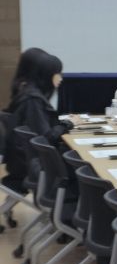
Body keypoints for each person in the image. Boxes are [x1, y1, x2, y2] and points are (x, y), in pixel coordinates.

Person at [3, 50, 81, 192]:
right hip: (33, 166)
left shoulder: (27, 92)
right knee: (83, 165)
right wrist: (68, 124)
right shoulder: (33, 100)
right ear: (46, 75)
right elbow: (45, 138)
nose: (60, 78)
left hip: (24, 162)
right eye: (58, 73)